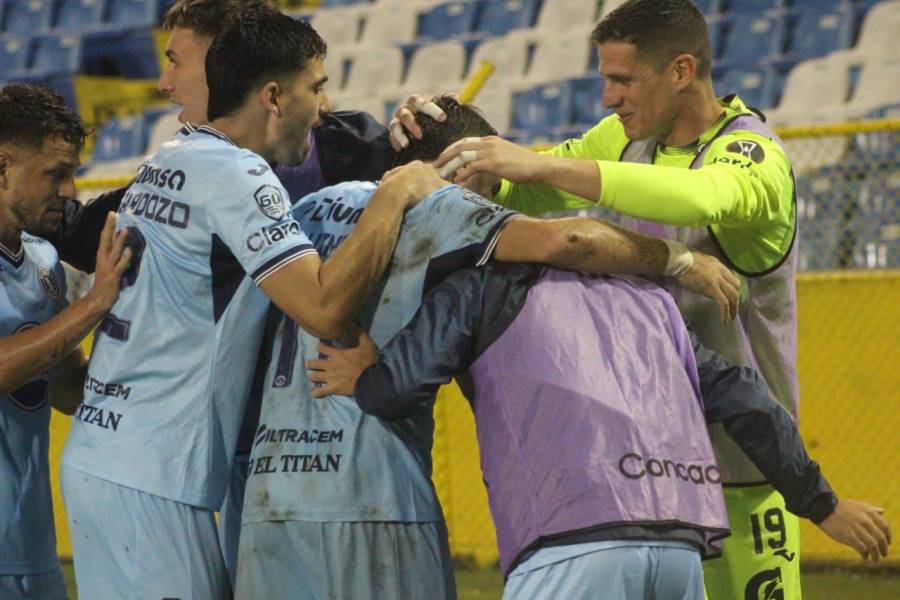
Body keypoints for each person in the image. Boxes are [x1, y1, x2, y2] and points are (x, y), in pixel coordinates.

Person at [390, 0, 847, 596]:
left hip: (742, 466)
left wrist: (539, 168)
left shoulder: (755, 157)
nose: (608, 97)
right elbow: (525, 187)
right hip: (653, 467)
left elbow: (702, 198)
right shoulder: (629, 139)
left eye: (622, 80)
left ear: (681, 71)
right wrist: (450, 145)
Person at [235, 96, 741, 599]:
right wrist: (677, 260)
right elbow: (571, 242)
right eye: (489, 184)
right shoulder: (443, 205)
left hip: (269, 498)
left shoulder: (307, 206)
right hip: (375, 494)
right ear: (459, 168)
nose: (495, 201)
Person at [58, 10, 426, 599]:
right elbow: (325, 310)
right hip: (152, 472)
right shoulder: (238, 176)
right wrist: (400, 190)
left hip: (116, 457)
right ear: (275, 96)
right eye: (317, 87)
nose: (324, 105)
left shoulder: (170, 159)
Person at [306, 261, 892, 600]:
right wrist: (822, 505)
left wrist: (368, 376)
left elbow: (392, 393)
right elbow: (746, 397)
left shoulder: (479, 287)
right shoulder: (650, 301)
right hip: (680, 547)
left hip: (571, 546)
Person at [0, 83, 130, 600]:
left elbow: (68, 390)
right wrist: (94, 303)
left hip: (34, 552)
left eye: (73, 173)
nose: (70, 191)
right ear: (3, 165)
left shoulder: (44, 261)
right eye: (55, 174)